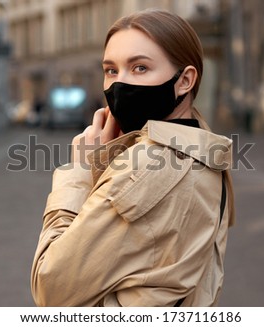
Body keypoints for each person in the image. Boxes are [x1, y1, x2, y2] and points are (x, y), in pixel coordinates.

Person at [31, 9, 235, 307]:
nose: (119, 85)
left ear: (185, 81)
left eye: (140, 68)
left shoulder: (146, 167)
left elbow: (50, 288)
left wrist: (79, 170)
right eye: (111, 70)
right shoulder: (203, 151)